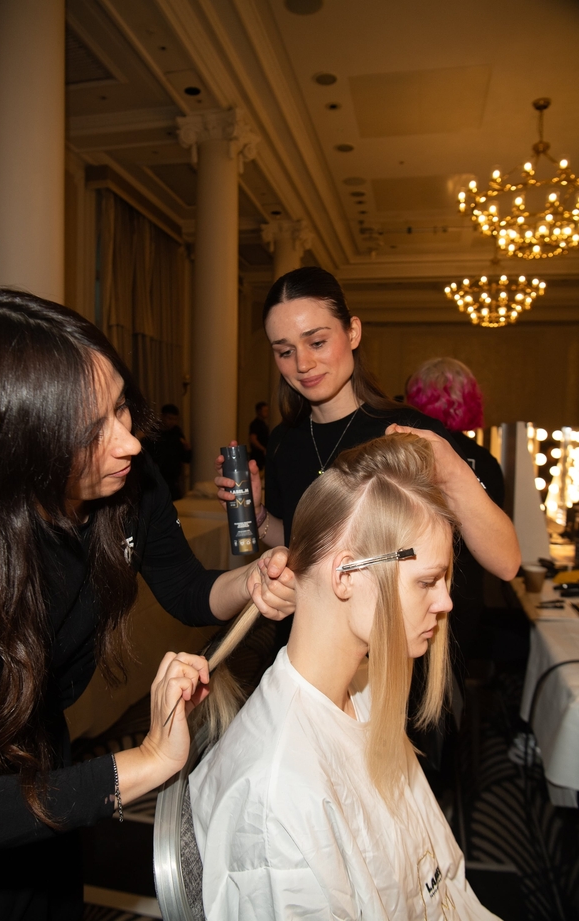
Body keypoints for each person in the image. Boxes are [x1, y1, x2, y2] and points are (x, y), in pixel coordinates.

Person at [0, 288, 294, 921]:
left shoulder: (126, 489)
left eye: (122, 409)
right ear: (17, 444)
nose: (131, 444)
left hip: (46, 753)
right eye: (93, 432)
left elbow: (190, 590)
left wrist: (252, 582)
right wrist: (144, 763)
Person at [191, 434, 500, 920]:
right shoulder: (280, 798)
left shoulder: (367, 693)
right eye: (426, 581)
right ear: (345, 576)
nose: (446, 602)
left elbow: (439, 879)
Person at [216, 268, 520, 636]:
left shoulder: (405, 431)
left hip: (393, 649)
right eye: (285, 351)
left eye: (317, 342)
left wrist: (455, 472)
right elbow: (304, 546)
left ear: (353, 332)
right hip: (311, 643)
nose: (302, 364)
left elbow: (506, 563)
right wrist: (260, 515)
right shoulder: (283, 440)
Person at [405, 358, 505, 660]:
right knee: (452, 687)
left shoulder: (404, 455)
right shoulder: (486, 462)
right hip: (466, 595)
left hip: (415, 589)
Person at [145, 402, 192, 499]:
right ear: (162, 417)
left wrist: (188, 450)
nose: (172, 422)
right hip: (155, 479)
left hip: (173, 481)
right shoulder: (153, 433)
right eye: (169, 418)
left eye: (175, 419)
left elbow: (185, 458)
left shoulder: (177, 432)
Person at [248, 401, 270, 470]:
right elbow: (253, 439)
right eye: (265, 411)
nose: (267, 413)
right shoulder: (255, 424)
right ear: (259, 411)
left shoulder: (263, 424)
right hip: (257, 456)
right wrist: (263, 449)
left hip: (263, 456)